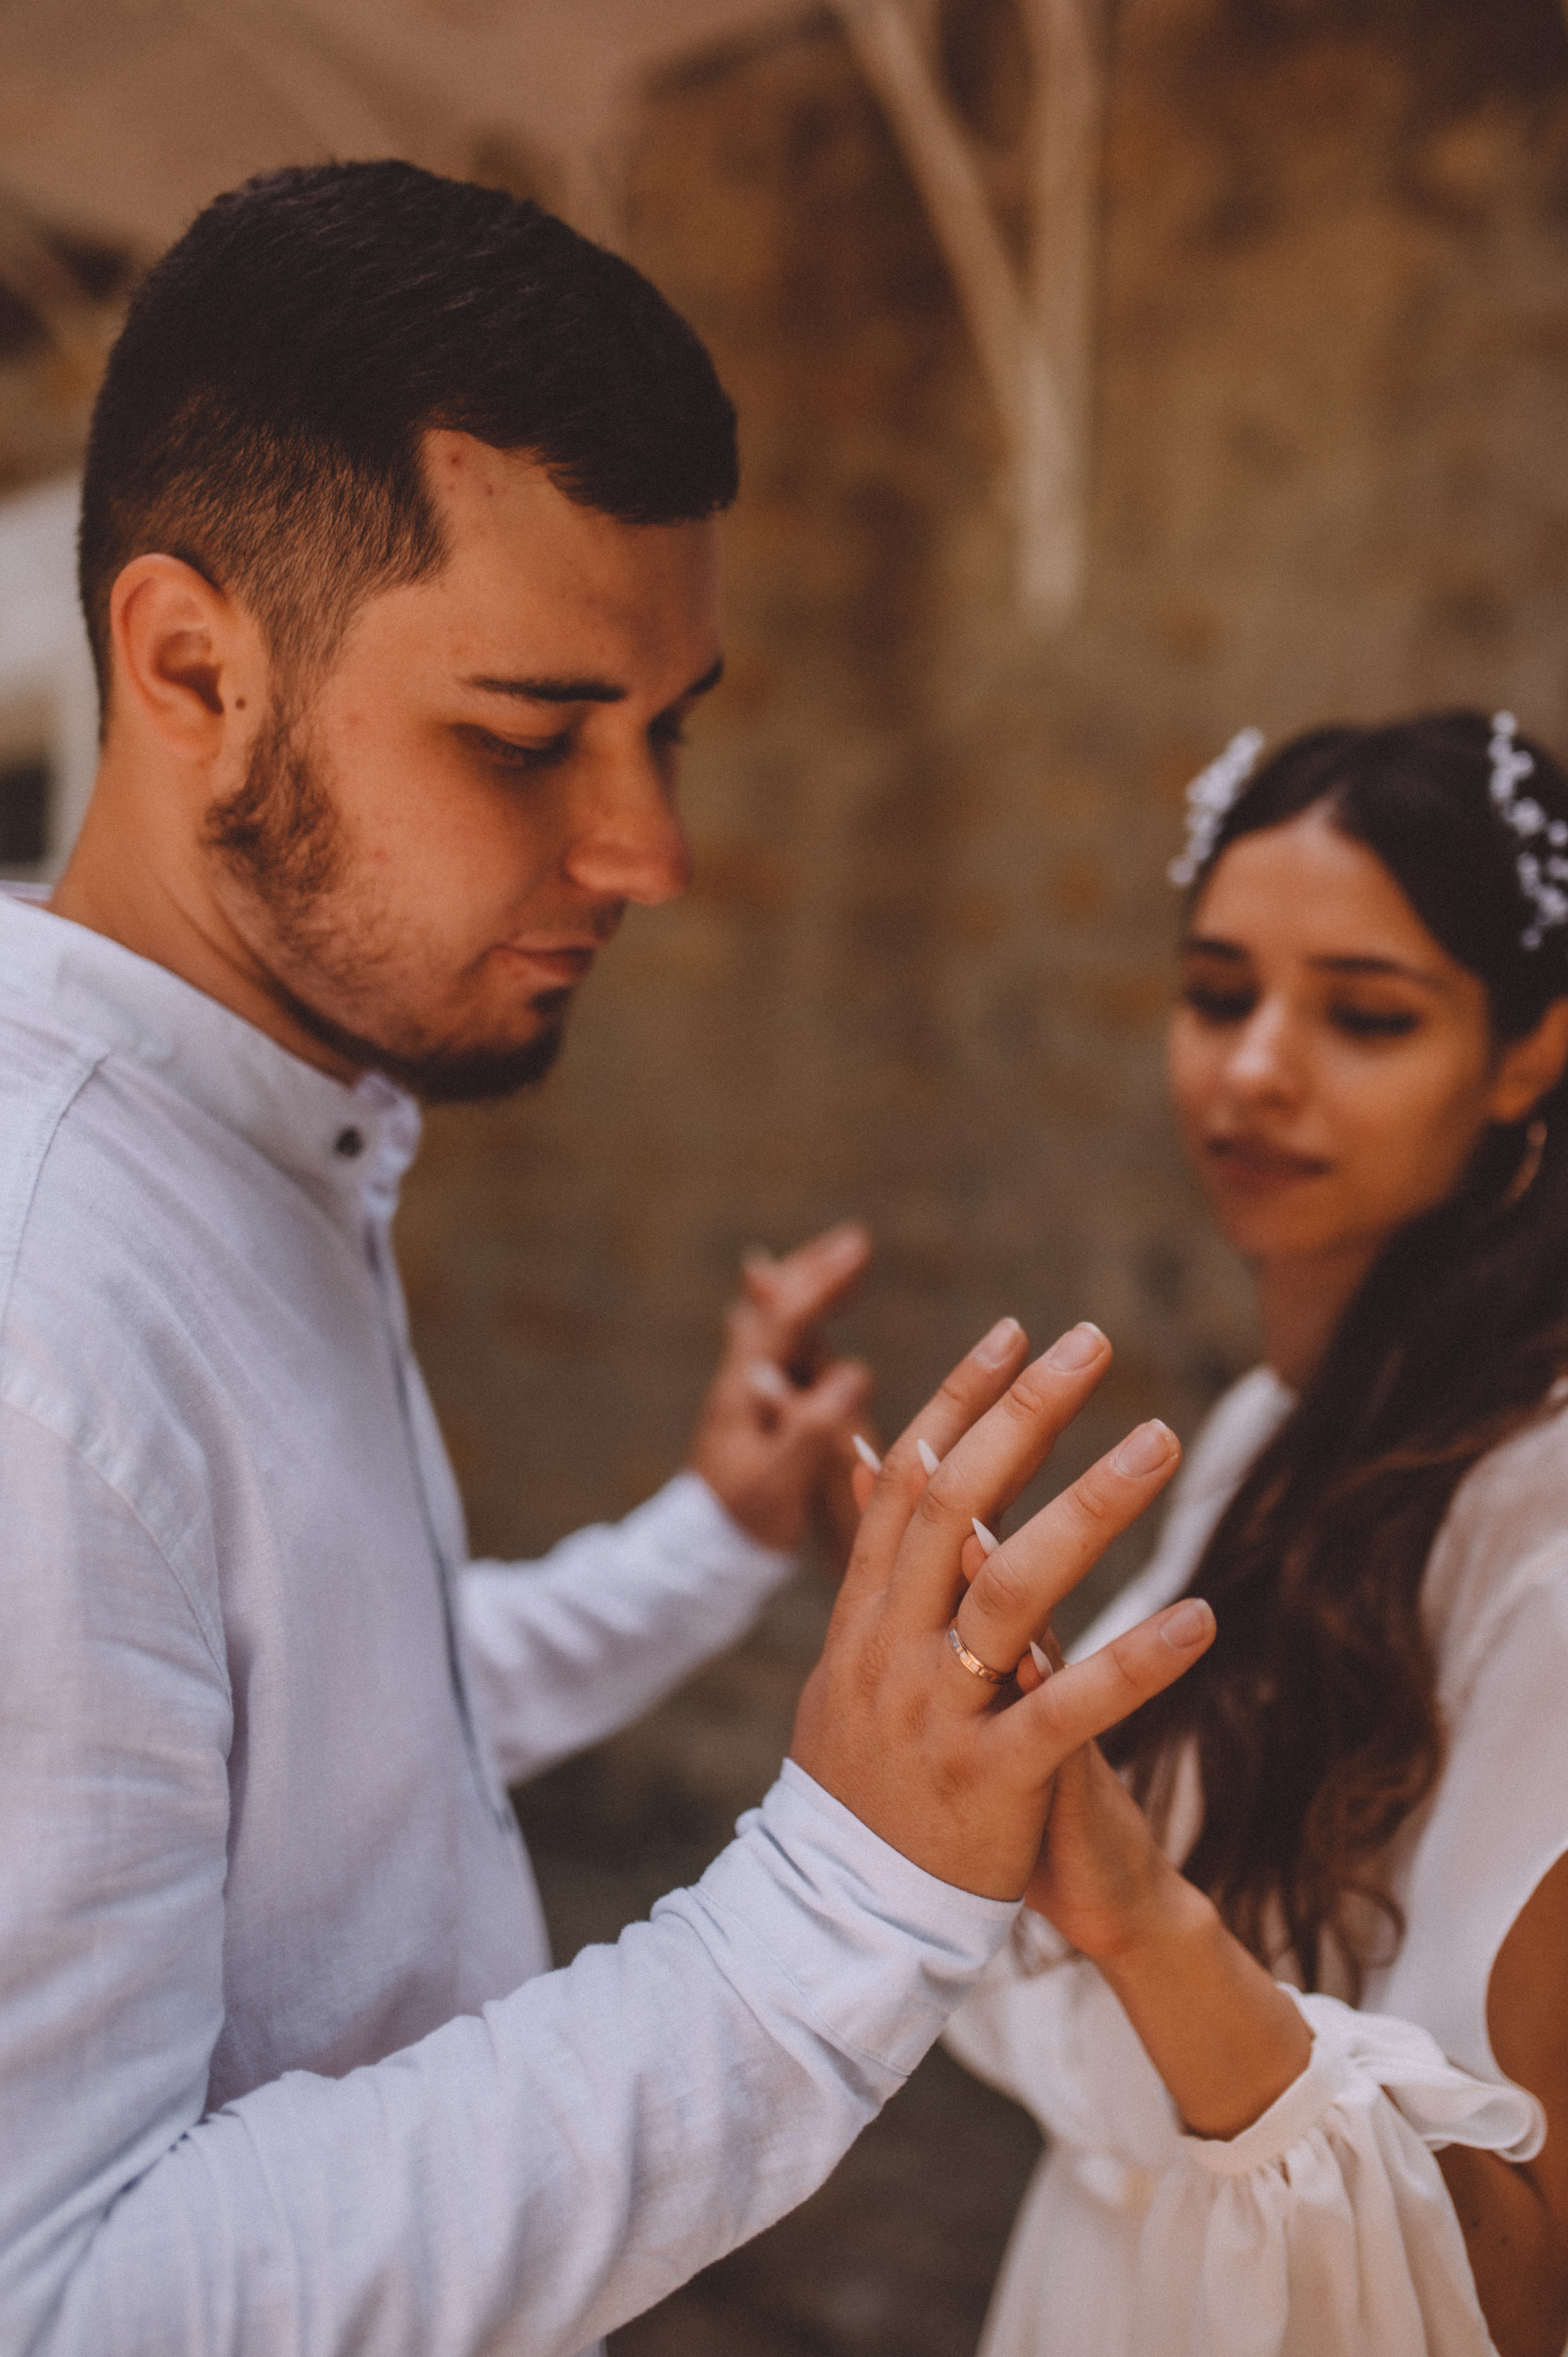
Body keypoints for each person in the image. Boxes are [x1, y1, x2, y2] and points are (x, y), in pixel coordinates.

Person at [0, 161, 1217, 2357]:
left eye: (668, 728)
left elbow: (329, 1746)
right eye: (530, 735)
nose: (649, 850)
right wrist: (839, 1895)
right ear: (191, 669)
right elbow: (68, 2300)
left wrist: (710, 1545)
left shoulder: (266, 1138)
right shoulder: (38, 1311)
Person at [944, 710, 1568, 2357]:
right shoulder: (1269, 1429)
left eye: (1365, 1016)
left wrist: (1141, 1916)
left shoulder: (1549, 1543)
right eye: (1219, 993)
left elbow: (1524, 2274)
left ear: (1528, 1054)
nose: (1255, 1068)